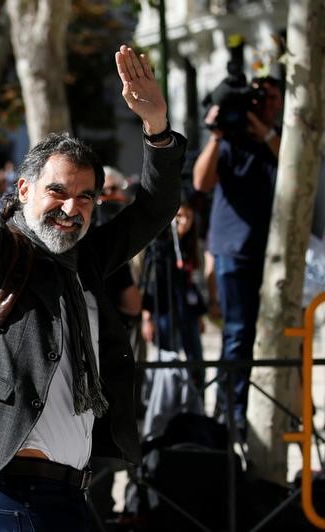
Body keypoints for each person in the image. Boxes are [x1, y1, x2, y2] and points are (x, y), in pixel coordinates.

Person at [0, 8, 185, 530]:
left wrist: (156, 127)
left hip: (71, 490)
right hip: (19, 491)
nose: (72, 207)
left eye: (86, 197)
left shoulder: (84, 260)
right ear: (23, 191)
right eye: (57, 191)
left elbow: (154, 208)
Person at [192, 75, 283, 436]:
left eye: (271, 97)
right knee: (238, 333)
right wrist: (216, 134)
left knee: (272, 334)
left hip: (273, 254)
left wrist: (265, 132)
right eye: (258, 97)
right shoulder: (228, 140)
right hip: (233, 250)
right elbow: (201, 183)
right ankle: (230, 413)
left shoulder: (276, 141)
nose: (264, 103)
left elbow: (289, 163)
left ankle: (258, 407)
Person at [140, 193, 206, 390]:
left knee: (196, 360)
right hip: (164, 311)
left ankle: (196, 398)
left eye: (188, 217)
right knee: (167, 359)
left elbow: (191, 284)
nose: (183, 223)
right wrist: (147, 318)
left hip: (187, 311)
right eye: (178, 217)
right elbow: (150, 284)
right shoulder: (158, 248)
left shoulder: (188, 246)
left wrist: (199, 314)